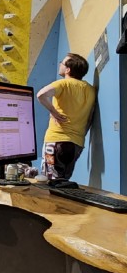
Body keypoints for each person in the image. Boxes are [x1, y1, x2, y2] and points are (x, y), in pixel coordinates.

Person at [36, 53, 96, 181]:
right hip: (77, 144)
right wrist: (80, 134)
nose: (60, 65)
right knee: (63, 183)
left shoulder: (63, 84)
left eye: (62, 63)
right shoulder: (91, 90)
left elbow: (41, 95)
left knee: (49, 181)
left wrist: (53, 112)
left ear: (68, 69)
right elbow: (90, 119)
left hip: (56, 140)